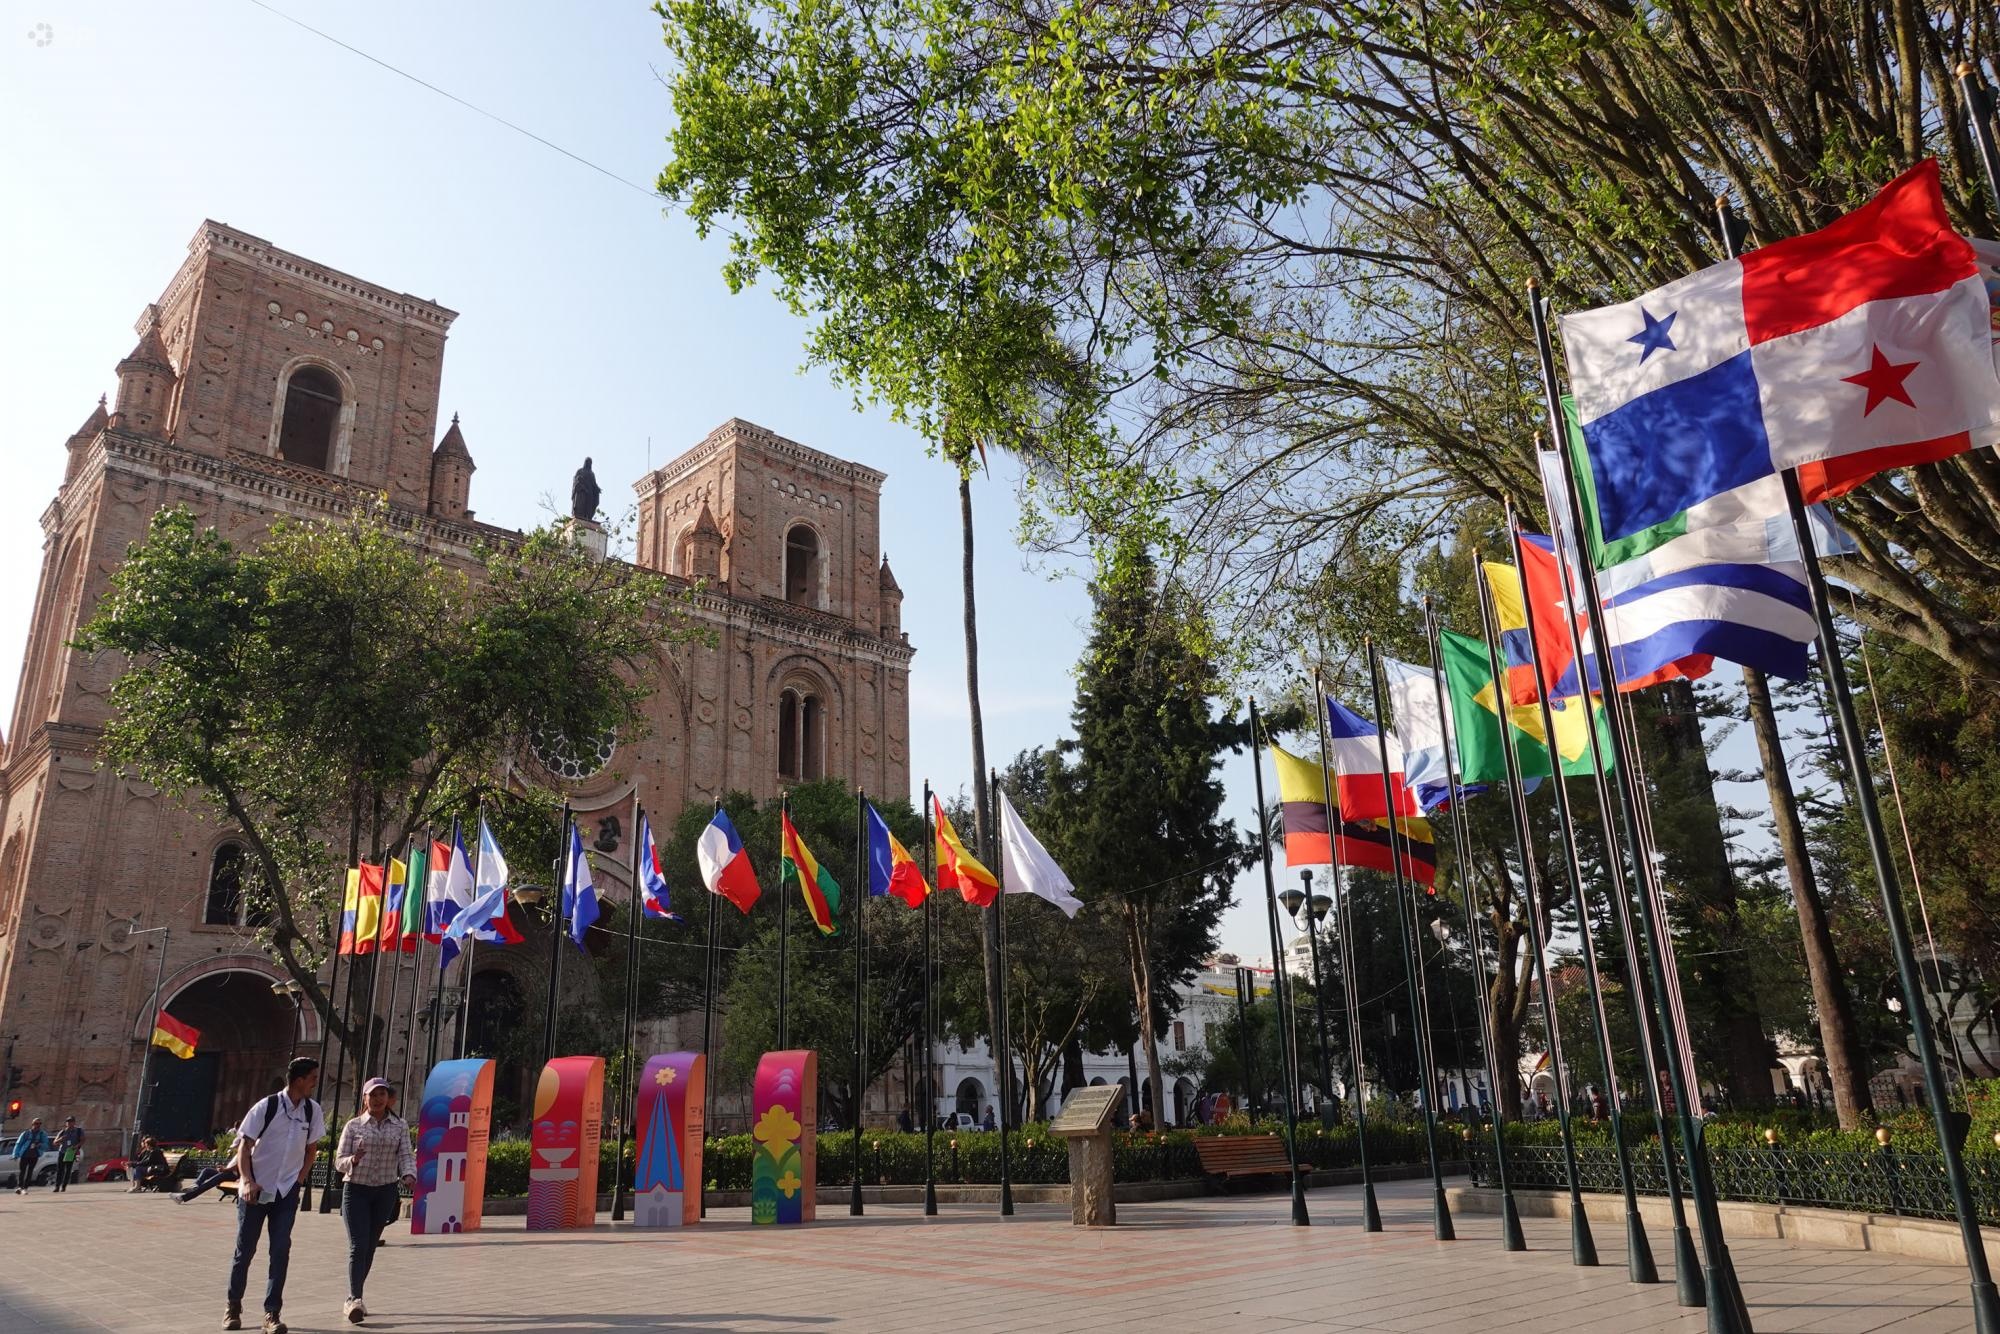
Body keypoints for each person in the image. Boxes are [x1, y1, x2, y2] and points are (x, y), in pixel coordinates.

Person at [224, 1056, 323, 1334]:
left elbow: (311, 1149)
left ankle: (272, 1313)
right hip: (256, 1190)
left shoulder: (312, 1111)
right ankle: (233, 1304)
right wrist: (246, 1180)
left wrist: (300, 1180)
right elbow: (245, 1146)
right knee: (245, 1251)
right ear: (300, 1079)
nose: (316, 1082)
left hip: (285, 1192)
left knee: (280, 1250)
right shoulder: (266, 1107)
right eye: (313, 1078)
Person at [334, 1077, 415, 1325]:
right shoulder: (353, 1126)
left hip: (384, 1191)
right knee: (358, 1245)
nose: (378, 1099)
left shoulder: (399, 1126)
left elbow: (405, 1154)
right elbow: (339, 1161)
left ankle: (356, 1295)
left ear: (388, 1099)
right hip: (356, 1190)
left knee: (369, 1246)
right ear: (365, 1098)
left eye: (383, 1094)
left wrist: (409, 1175)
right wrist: (353, 1160)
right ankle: (354, 1298)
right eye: (373, 1094)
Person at [11, 1117, 49, 1193]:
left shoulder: (42, 1134)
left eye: (39, 1124)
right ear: (32, 1124)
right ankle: (19, 1187)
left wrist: (39, 1144)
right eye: (36, 1123)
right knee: (22, 1171)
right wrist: (15, 1154)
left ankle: (25, 1188)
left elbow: (46, 1145)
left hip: (34, 1155)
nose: (37, 1125)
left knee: (30, 1171)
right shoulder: (26, 1133)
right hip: (24, 1154)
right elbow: (19, 1144)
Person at [50, 1117, 84, 1192]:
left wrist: (76, 1146)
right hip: (62, 1151)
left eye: (71, 1122)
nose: (69, 1123)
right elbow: (55, 1142)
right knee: (60, 1170)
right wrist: (61, 1139)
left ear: (74, 1122)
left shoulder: (78, 1131)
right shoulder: (63, 1131)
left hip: (71, 1151)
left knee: (68, 1169)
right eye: (68, 1122)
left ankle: (64, 1186)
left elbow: (82, 1140)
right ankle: (57, 1186)